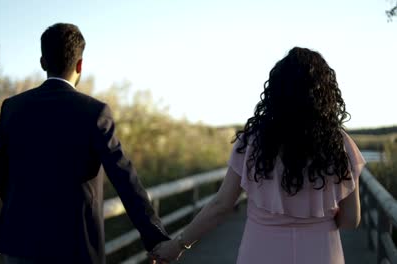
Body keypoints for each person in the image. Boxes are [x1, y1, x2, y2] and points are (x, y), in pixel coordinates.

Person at [151, 47, 365, 264]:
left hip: (261, 251)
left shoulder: (253, 141)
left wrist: (177, 245)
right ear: (325, 94)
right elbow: (350, 220)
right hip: (322, 252)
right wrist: (319, 215)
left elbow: (221, 205)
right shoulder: (340, 145)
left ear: (276, 91)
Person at [0, 23, 170, 264]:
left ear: (43, 62)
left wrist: (24, 208)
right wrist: (156, 237)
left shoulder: (12, 107)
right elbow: (125, 178)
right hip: (75, 246)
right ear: (80, 65)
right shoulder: (94, 112)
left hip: (19, 241)